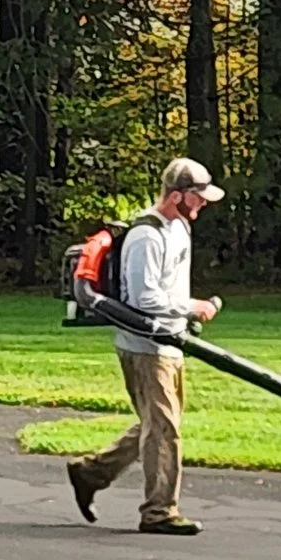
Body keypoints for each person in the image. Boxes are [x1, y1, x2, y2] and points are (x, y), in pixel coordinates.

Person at [66, 157, 224, 535]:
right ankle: (159, 512)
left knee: (159, 425)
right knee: (164, 427)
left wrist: (184, 316)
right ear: (175, 195)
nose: (202, 203)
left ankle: (91, 472)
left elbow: (168, 291)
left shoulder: (179, 229)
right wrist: (192, 307)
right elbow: (142, 298)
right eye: (197, 197)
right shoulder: (146, 236)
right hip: (144, 346)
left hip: (170, 342)